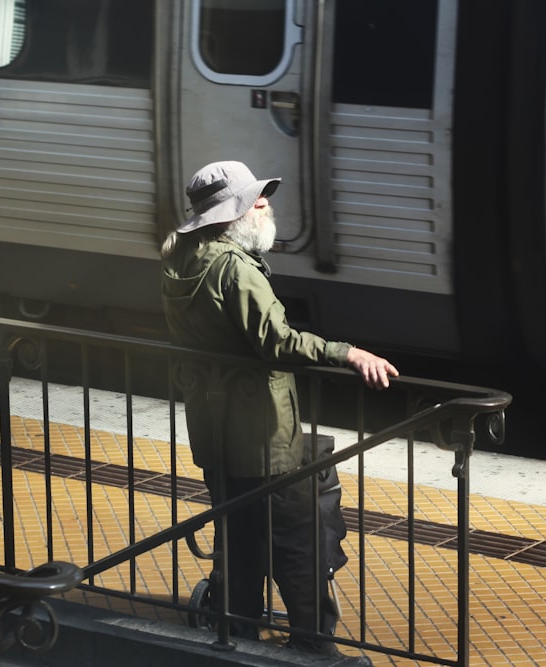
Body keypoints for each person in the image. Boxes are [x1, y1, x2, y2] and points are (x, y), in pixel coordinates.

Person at [161, 160, 398, 658]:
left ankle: (237, 638)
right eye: (253, 199)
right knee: (297, 545)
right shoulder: (234, 269)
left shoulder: (182, 261)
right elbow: (278, 340)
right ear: (230, 215)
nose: (265, 203)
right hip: (263, 437)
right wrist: (346, 352)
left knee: (241, 541)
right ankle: (313, 647)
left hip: (214, 433)